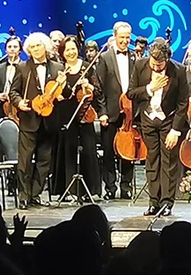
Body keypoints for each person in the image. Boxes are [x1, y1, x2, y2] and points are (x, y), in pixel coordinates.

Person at [128, 39, 189, 216]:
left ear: (167, 60)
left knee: (168, 161)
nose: (155, 68)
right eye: (153, 64)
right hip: (147, 119)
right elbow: (131, 93)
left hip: (168, 120)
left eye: (159, 65)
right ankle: (153, 202)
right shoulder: (140, 65)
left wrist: (175, 130)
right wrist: (149, 88)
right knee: (152, 160)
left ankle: (167, 203)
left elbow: (182, 102)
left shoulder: (179, 70)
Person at [9, 32, 64, 209]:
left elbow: (64, 93)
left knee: (44, 161)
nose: (36, 49)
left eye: (38, 46)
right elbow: (13, 92)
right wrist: (19, 102)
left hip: (49, 120)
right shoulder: (22, 67)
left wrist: (63, 85)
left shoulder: (58, 67)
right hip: (29, 120)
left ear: (45, 47)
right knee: (25, 161)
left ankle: (35, 194)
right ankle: (24, 196)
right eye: (32, 47)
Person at [53, 35, 102, 201]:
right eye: (67, 50)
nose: (71, 52)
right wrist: (61, 85)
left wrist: (89, 86)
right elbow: (61, 95)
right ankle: (69, 190)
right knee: (68, 151)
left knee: (88, 150)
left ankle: (89, 190)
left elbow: (98, 91)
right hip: (66, 115)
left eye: (73, 49)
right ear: (63, 52)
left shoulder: (87, 67)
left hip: (84, 114)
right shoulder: (60, 70)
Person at [96, 21, 136, 200]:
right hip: (111, 113)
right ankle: (110, 188)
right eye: (122, 37)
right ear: (114, 37)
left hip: (130, 113)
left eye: (128, 37)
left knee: (129, 152)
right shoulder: (104, 58)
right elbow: (99, 88)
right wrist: (102, 112)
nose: (125, 41)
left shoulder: (135, 57)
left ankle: (126, 187)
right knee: (109, 152)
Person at [0, 32, 23, 120]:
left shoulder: (26, 67)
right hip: (2, 110)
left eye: (15, 47)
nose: (12, 49)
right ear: (5, 50)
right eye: (9, 47)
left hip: (20, 111)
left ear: (20, 50)